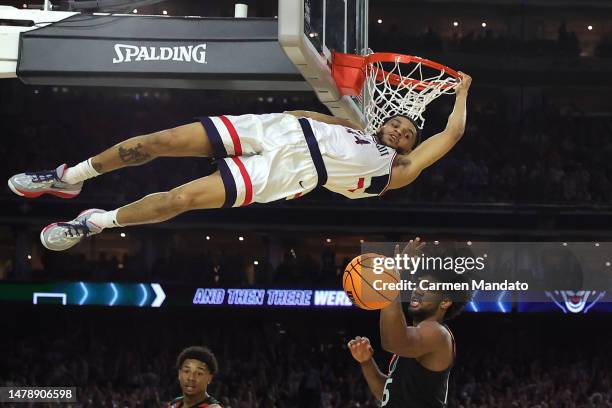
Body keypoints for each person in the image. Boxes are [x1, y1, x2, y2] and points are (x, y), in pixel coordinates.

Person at [8, 75, 471, 251]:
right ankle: (70, 178)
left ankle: (95, 223)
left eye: (408, 135)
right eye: (397, 125)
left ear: (410, 147)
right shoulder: (349, 127)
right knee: (159, 140)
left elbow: (451, 133)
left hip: (291, 173)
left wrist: (462, 92)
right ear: (383, 122)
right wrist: (293, 117)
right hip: (278, 130)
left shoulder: (398, 170)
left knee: (182, 198)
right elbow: (301, 114)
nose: (400, 132)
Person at [348, 238, 474, 407]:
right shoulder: (417, 337)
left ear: (445, 302)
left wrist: (393, 275)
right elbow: (386, 394)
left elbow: (392, 341)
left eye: (427, 286)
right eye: (418, 283)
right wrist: (366, 362)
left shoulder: (437, 333)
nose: (418, 289)